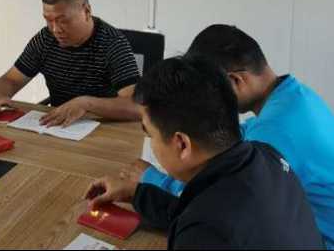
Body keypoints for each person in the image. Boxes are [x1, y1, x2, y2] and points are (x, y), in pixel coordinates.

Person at [85, 56, 324, 249]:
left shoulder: (205, 233)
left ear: (182, 144)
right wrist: (137, 194)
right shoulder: (265, 156)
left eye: (151, 134)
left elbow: (208, 224)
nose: (152, 144)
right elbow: (202, 211)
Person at [129, 25, 334, 249]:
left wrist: (153, 179)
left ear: (234, 81)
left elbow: (213, 196)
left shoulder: (273, 134)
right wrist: (139, 194)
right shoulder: (292, 100)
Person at [0, 0, 140, 126]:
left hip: (103, 128)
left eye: (63, 20)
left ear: (86, 11)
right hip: (58, 127)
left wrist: (86, 103)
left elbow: (136, 106)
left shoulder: (113, 43)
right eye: (48, 20)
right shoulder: (45, 39)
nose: (55, 29)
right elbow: (10, 80)